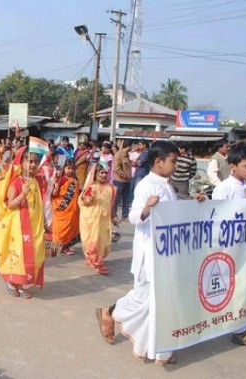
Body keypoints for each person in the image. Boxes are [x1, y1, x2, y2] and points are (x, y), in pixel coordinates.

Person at [96, 141, 206, 365]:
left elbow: (174, 214)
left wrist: (195, 203)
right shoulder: (146, 185)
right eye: (173, 161)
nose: (176, 166)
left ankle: (157, 348)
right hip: (149, 253)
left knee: (160, 300)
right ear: (158, 162)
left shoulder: (168, 185)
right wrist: (146, 208)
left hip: (165, 253)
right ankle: (108, 311)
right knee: (142, 299)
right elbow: (134, 217)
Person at [211, 144, 246, 348]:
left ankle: (242, 324)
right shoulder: (224, 189)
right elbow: (218, 220)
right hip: (230, 248)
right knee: (237, 288)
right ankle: (239, 330)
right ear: (232, 166)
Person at [0, 147, 45, 299]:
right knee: (18, 255)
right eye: (29, 161)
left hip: (33, 226)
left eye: (35, 162)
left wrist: (45, 223)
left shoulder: (36, 181)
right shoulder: (16, 182)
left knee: (32, 254)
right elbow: (10, 204)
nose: (33, 165)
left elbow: (38, 204)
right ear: (21, 163)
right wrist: (22, 194)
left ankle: (21, 285)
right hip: (18, 226)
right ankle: (11, 283)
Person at [78, 163, 116, 274]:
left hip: (104, 220)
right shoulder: (91, 187)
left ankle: (93, 259)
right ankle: (97, 262)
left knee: (103, 242)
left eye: (105, 173)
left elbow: (111, 204)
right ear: (95, 175)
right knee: (93, 241)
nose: (104, 175)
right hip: (91, 220)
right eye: (101, 173)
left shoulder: (111, 188)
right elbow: (84, 202)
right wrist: (89, 199)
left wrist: (113, 217)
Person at [50, 161, 81, 256]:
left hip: (72, 211)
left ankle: (65, 247)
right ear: (64, 169)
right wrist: (55, 184)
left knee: (70, 229)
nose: (71, 171)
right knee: (60, 229)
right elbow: (54, 194)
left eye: (72, 168)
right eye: (68, 168)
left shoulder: (75, 180)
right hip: (62, 209)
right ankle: (55, 247)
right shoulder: (61, 179)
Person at [112, 140, 133, 220]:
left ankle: (125, 215)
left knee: (126, 199)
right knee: (116, 199)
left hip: (127, 181)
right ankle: (114, 214)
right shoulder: (118, 155)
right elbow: (116, 168)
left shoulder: (127, 155)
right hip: (119, 181)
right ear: (128, 146)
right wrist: (124, 176)